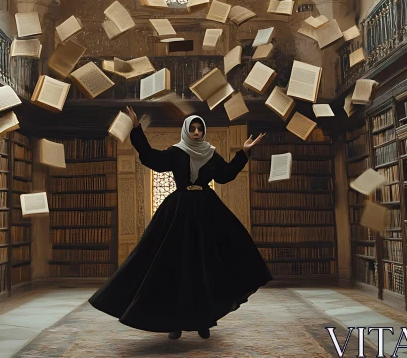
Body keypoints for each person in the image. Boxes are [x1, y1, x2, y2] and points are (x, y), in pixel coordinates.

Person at [88, 107, 273, 340]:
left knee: (206, 266)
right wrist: (136, 130)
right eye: (192, 129)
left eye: (200, 129)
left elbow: (225, 175)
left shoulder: (212, 154)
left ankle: (203, 321)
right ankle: (174, 323)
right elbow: (150, 157)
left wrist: (243, 153)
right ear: (186, 130)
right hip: (178, 212)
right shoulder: (176, 153)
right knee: (174, 267)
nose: (196, 132)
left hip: (207, 213)